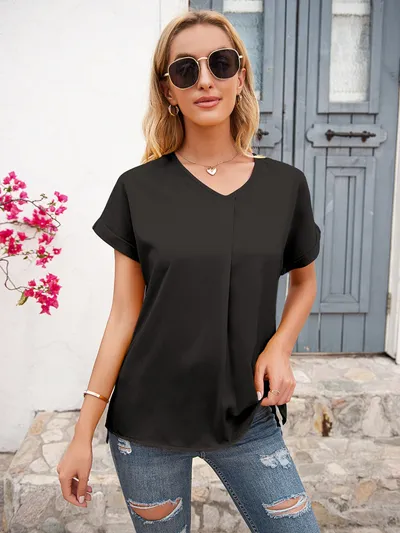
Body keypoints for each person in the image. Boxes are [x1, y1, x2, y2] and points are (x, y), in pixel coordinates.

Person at [57, 9, 321, 532]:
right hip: (147, 425)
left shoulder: (284, 186)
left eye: (220, 63)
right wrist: (82, 433)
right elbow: (123, 315)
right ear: (168, 90)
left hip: (248, 418)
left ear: (240, 76)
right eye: (185, 69)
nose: (205, 80)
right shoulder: (137, 189)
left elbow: (304, 282)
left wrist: (280, 346)